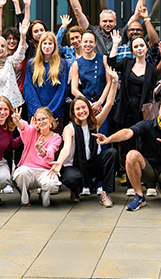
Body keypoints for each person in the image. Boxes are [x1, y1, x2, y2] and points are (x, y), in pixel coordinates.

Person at [94, 98, 161, 211]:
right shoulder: (147, 124)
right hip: (147, 168)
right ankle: (139, 197)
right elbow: (128, 132)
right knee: (131, 155)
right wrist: (109, 139)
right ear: (159, 112)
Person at [50, 69, 120, 207]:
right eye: (78, 109)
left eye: (84, 107)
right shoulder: (69, 129)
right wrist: (59, 162)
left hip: (92, 163)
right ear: (73, 112)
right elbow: (66, 148)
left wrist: (114, 81)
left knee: (111, 153)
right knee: (71, 178)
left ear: (89, 109)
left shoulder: (95, 123)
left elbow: (110, 103)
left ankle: (105, 193)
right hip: (75, 165)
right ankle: (75, 190)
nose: (82, 111)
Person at [109, 33, 159, 144]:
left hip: (141, 109)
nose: (139, 48)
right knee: (124, 141)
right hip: (124, 107)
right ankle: (124, 161)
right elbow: (111, 65)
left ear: (147, 47)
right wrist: (115, 44)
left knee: (140, 140)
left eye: (141, 45)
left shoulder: (152, 70)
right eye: (136, 47)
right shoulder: (127, 62)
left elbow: (152, 91)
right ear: (132, 50)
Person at [12, 107, 62, 206]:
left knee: (52, 184)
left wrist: (41, 151)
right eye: (38, 120)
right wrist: (17, 121)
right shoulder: (32, 131)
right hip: (28, 169)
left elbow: (51, 155)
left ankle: (45, 194)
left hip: (45, 171)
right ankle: (24, 195)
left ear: (51, 119)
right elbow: (23, 127)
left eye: (44, 118)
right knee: (21, 172)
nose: (41, 122)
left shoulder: (56, 137)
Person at [24, 31, 70, 123]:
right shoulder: (31, 64)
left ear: (55, 46)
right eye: (44, 43)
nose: (47, 46)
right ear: (40, 45)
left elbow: (62, 90)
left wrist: (48, 113)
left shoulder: (62, 64)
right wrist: (38, 112)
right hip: (35, 115)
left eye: (50, 43)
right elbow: (28, 90)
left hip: (55, 115)